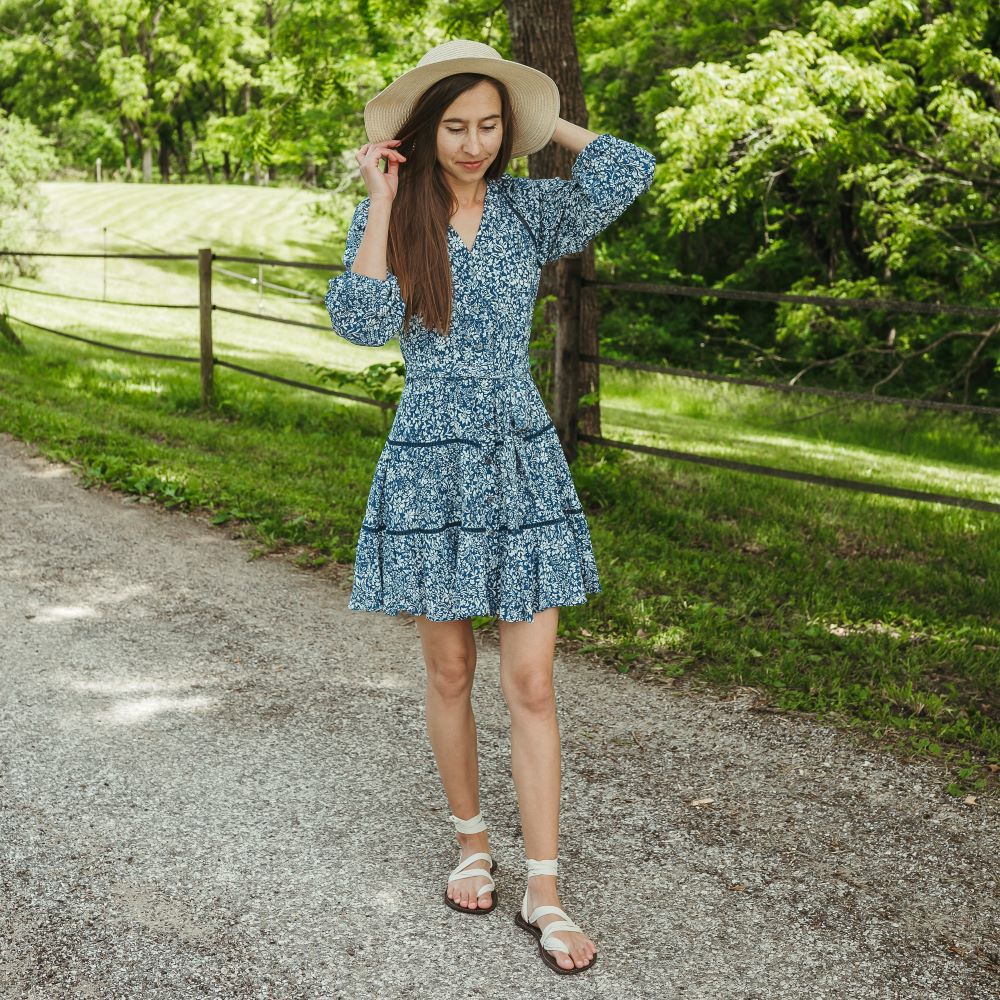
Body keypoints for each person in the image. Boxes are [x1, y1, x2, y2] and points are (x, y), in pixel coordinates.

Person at [325, 39, 655, 975]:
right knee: (448, 671)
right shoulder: (391, 214)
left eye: (490, 124)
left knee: (534, 682)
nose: (473, 143)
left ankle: (543, 890)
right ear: (425, 135)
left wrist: (549, 123)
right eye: (456, 126)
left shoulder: (529, 208)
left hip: (519, 457)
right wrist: (384, 196)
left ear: (509, 131)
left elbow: (631, 167)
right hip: (430, 460)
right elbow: (359, 323)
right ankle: (473, 841)